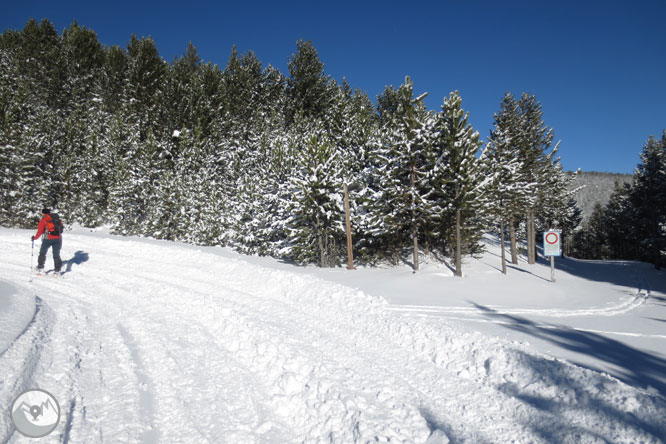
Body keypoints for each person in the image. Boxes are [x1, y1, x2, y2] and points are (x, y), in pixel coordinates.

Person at [32, 208, 63, 273]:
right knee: (56, 254)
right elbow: (61, 229)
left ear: (43, 213)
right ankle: (57, 270)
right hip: (58, 238)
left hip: (47, 237)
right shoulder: (57, 218)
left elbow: (40, 231)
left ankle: (40, 267)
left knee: (42, 253)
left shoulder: (43, 220)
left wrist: (35, 238)